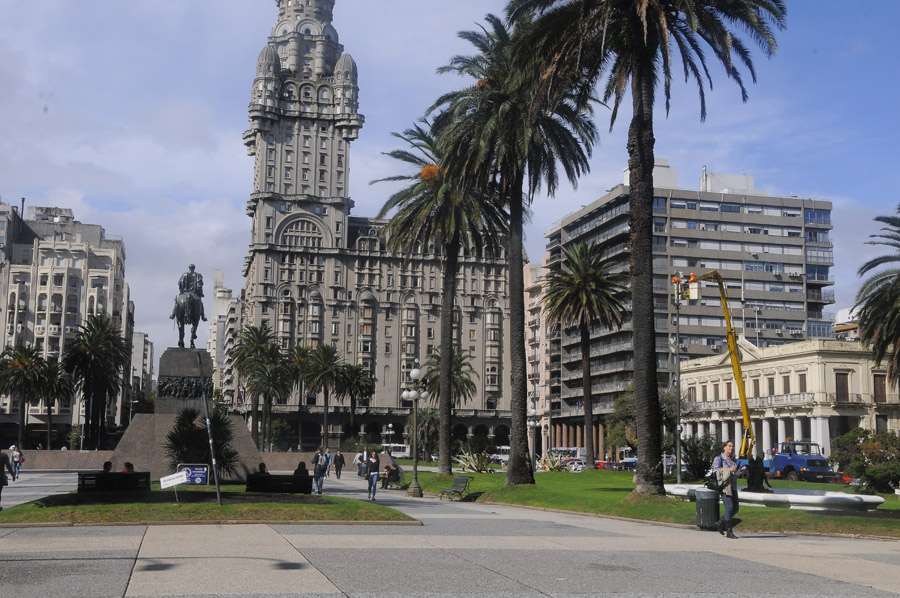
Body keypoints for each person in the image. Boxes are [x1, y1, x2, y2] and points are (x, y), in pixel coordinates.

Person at [712, 440, 740, 539]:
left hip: (733, 486)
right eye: (729, 446)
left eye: (732, 446)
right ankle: (729, 531)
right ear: (724, 447)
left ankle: (720, 523)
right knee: (729, 508)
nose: (731, 448)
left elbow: (733, 475)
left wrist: (738, 472)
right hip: (724, 487)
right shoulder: (719, 458)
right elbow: (716, 472)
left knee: (736, 508)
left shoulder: (732, 460)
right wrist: (729, 470)